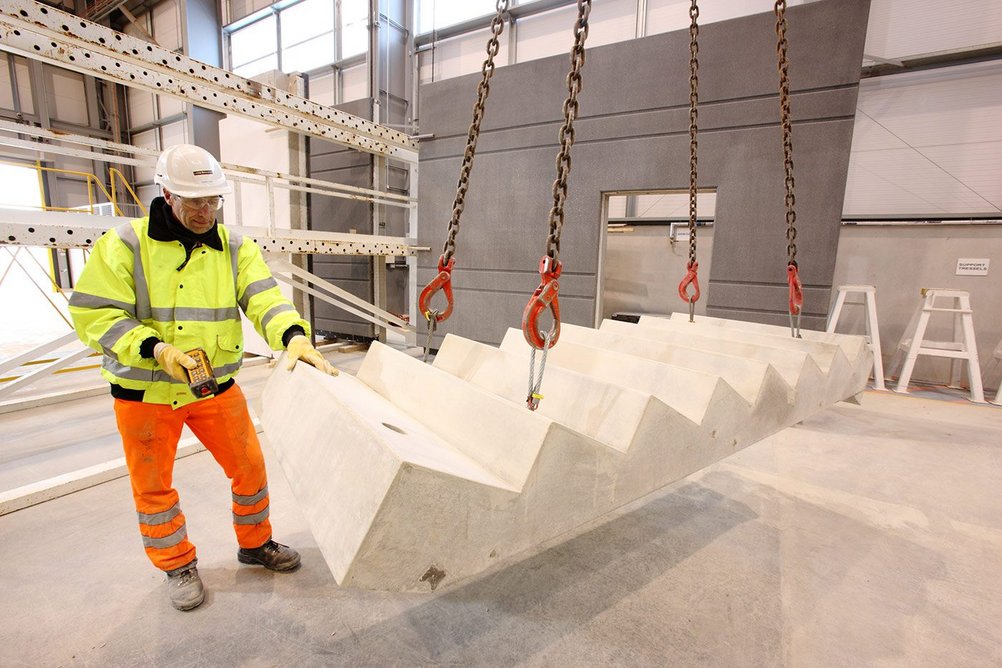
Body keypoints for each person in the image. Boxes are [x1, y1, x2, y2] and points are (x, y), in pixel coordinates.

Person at [68, 144, 338, 611]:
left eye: (213, 200)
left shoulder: (234, 247)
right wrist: (155, 349)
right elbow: (94, 315)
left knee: (249, 469)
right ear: (167, 193)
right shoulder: (125, 244)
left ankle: (255, 544)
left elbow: (264, 299)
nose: (205, 211)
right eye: (194, 201)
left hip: (212, 385)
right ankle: (176, 564)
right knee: (155, 489)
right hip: (145, 392)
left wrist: (292, 334)